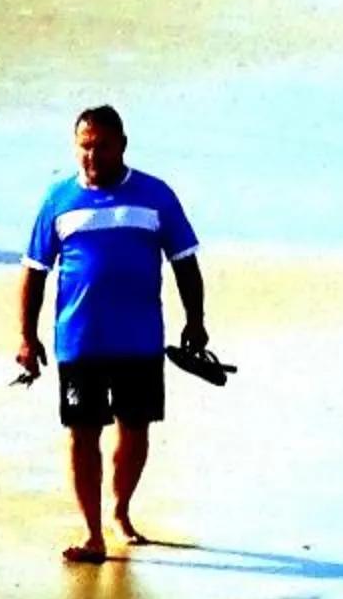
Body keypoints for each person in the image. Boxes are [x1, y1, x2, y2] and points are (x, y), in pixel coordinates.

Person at [16, 106, 208, 563]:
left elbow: (185, 260)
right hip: (79, 339)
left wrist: (195, 320)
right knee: (82, 433)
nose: (92, 155)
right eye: (84, 145)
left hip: (139, 339)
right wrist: (27, 336)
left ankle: (120, 510)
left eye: (101, 145)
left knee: (134, 430)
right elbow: (34, 271)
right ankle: (91, 532)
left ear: (122, 144)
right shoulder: (58, 199)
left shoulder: (155, 195)